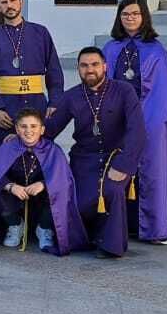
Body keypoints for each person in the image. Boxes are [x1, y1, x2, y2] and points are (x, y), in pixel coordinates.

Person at [102, 0, 167, 245]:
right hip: (117, 118)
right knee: (117, 165)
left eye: (135, 14)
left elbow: (162, 93)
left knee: (152, 170)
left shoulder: (157, 51)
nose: (130, 18)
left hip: (150, 117)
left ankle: (154, 228)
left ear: (144, 17)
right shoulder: (110, 48)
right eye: (125, 14)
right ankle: (123, 224)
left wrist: (146, 121)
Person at [45, 48, 146, 258]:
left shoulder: (124, 90)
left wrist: (124, 166)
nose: (90, 70)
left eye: (94, 65)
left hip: (115, 157)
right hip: (84, 159)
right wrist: (23, 137)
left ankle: (110, 246)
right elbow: (51, 128)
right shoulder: (71, 96)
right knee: (81, 201)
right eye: (84, 66)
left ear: (105, 66)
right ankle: (88, 237)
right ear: (79, 69)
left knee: (112, 190)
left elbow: (137, 130)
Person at [0, 109, 87, 256]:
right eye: (23, 126)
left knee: (58, 191)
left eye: (33, 126)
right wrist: (11, 187)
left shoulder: (52, 150)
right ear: (17, 129)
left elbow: (63, 179)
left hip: (42, 200)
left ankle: (44, 227)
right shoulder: (8, 147)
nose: (28, 131)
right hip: (14, 199)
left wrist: (43, 184)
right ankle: (16, 224)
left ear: (42, 129)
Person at [0, 0, 63, 142]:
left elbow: (54, 70)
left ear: (21, 2)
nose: (9, 6)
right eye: (4, 2)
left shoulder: (40, 33)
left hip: (37, 107)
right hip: (5, 110)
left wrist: (55, 101)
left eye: (13, 0)